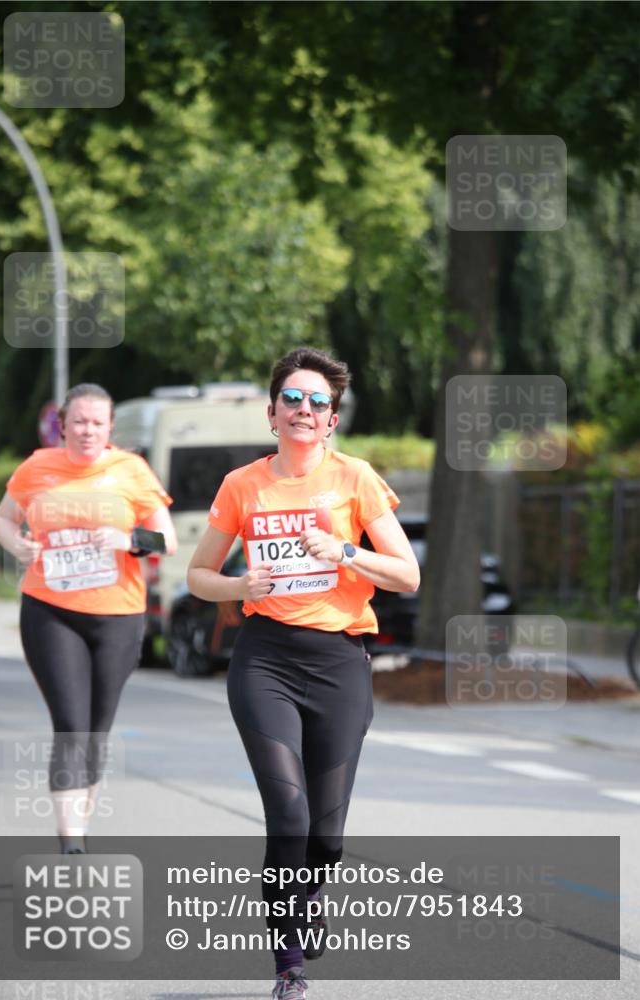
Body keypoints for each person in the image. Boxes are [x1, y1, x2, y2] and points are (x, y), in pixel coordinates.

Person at [187, 348, 419, 999]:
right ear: (272, 413)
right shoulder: (242, 485)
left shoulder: (355, 479)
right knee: (288, 816)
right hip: (265, 659)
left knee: (327, 835)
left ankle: (309, 894)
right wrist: (239, 584)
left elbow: (406, 574)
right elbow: (198, 575)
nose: (304, 409)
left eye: (318, 402)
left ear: (332, 420)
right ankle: (288, 966)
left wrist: (344, 550)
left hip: (340, 661)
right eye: (292, 398)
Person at [0, 383, 177, 854]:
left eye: (97, 423)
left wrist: (126, 539)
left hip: (118, 616)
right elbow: (3, 519)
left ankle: (81, 823)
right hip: (50, 610)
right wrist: (17, 545)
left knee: (96, 730)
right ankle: (71, 843)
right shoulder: (37, 467)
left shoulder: (131, 470)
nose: (87, 430)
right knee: (71, 725)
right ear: (62, 425)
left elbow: (167, 541)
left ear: (110, 427)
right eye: (78, 421)